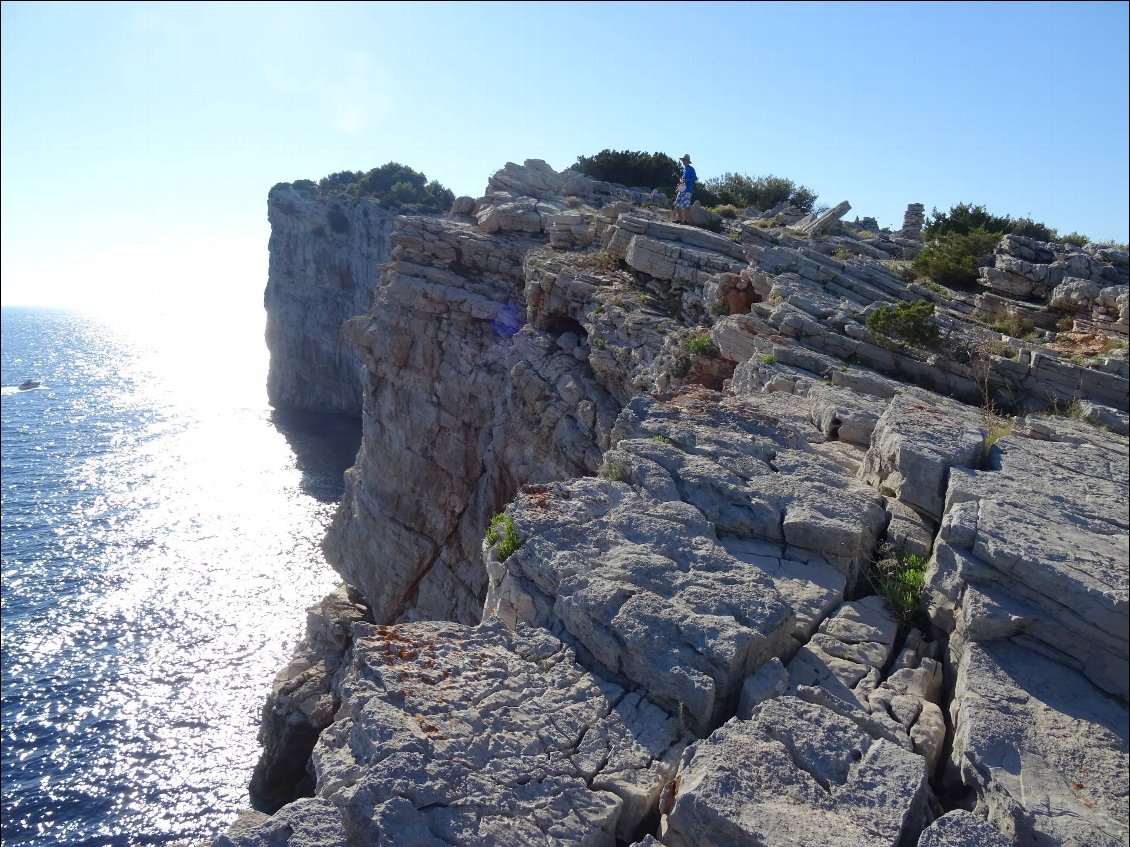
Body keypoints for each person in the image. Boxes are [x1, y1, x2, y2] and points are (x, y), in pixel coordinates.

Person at [674, 154, 697, 222]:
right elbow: (683, 180)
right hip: (682, 189)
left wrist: (688, 180)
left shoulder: (691, 169)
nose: (683, 161)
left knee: (686, 206)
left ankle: (686, 221)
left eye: (685, 160)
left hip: (688, 190)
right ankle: (679, 219)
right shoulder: (685, 169)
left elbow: (695, 178)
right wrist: (679, 186)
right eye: (683, 160)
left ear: (687, 161)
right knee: (677, 203)